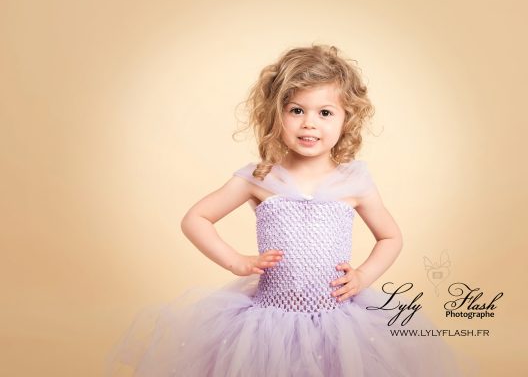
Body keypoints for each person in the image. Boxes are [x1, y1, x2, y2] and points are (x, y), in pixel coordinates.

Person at [105, 44, 471, 376]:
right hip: (269, 321)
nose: (309, 122)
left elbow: (390, 236)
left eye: (325, 112)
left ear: (347, 119)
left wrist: (362, 277)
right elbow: (196, 218)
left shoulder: (354, 181)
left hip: (338, 321)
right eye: (296, 110)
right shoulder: (259, 177)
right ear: (276, 115)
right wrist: (237, 262)